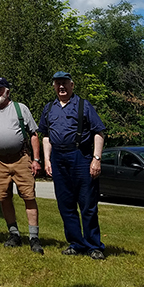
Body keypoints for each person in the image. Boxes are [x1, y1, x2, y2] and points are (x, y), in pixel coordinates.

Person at [39, 71, 106, 260]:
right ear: (53, 86)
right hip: (58, 158)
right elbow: (45, 135)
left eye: (65, 83)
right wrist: (47, 160)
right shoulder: (49, 108)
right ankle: (76, 243)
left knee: (87, 204)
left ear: (72, 85)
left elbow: (99, 132)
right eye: (58, 83)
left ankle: (94, 246)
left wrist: (96, 159)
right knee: (65, 204)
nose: (61, 87)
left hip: (80, 156)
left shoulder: (83, 106)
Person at [0, 77, 44, 254]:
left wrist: (36, 160)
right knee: (4, 197)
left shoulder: (20, 108)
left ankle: (34, 237)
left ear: (7, 91)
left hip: (21, 158)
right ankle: (13, 234)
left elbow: (33, 135)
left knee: (29, 196)